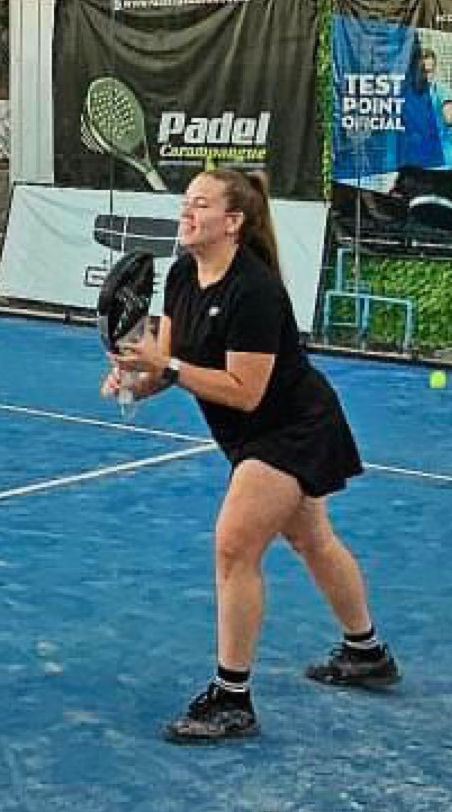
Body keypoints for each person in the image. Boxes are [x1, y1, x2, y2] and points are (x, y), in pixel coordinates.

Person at [108, 166, 400, 743]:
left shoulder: (255, 291)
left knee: (235, 545)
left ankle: (232, 699)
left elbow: (246, 391)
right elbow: (171, 362)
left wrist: (165, 365)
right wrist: (134, 381)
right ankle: (367, 652)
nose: (187, 212)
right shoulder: (182, 274)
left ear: (233, 222)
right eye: (186, 202)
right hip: (249, 432)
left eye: (201, 204)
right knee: (313, 539)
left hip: (292, 427)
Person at [396, 45, 452, 217]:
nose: (427, 76)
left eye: (430, 71)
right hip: (417, 170)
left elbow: (450, 117)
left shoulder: (440, 90)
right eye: (423, 71)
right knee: (409, 215)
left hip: (448, 168)